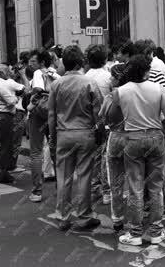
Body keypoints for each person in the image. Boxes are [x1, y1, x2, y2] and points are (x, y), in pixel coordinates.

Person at [113, 55, 165, 245]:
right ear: (146, 71)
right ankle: (156, 231)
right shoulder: (157, 89)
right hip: (156, 137)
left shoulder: (120, 91)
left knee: (135, 187)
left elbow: (114, 119)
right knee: (156, 187)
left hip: (132, 139)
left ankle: (135, 233)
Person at [48, 46, 102, 231]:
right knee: (85, 175)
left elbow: (51, 115)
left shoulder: (56, 85)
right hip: (85, 133)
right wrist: (99, 133)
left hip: (64, 133)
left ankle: (63, 216)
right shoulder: (89, 83)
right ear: (80, 62)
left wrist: (52, 136)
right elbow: (98, 113)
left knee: (64, 177)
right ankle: (84, 214)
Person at [27, 48, 60, 203]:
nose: (30, 64)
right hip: (53, 112)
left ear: (41, 62)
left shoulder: (38, 73)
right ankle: (61, 189)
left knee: (36, 152)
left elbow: (38, 89)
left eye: (33, 61)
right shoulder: (56, 73)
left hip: (38, 113)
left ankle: (37, 191)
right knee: (55, 151)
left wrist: (32, 96)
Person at [100, 64, 129, 232]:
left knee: (116, 181)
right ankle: (136, 218)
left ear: (118, 78)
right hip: (134, 137)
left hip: (116, 137)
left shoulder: (111, 97)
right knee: (135, 178)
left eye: (112, 76)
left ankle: (117, 218)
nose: (110, 79)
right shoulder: (133, 94)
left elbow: (101, 117)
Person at [85, 44, 113, 205]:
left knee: (94, 156)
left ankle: (94, 187)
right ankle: (106, 191)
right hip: (107, 122)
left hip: (89, 122)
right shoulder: (107, 77)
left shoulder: (84, 77)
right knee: (106, 157)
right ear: (104, 59)